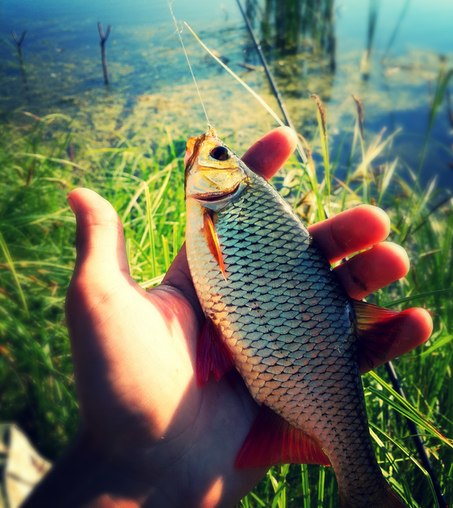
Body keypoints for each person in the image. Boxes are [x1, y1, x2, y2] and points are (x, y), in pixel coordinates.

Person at [23, 127, 432, 508]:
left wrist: (123, 472)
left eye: (217, 155)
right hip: (284, 370)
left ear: (234, 185)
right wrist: (130, 468)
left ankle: (363, 489)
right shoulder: (218, 209)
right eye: (219, 155)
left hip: (300, 365)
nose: (207, 153)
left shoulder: (227, 207)